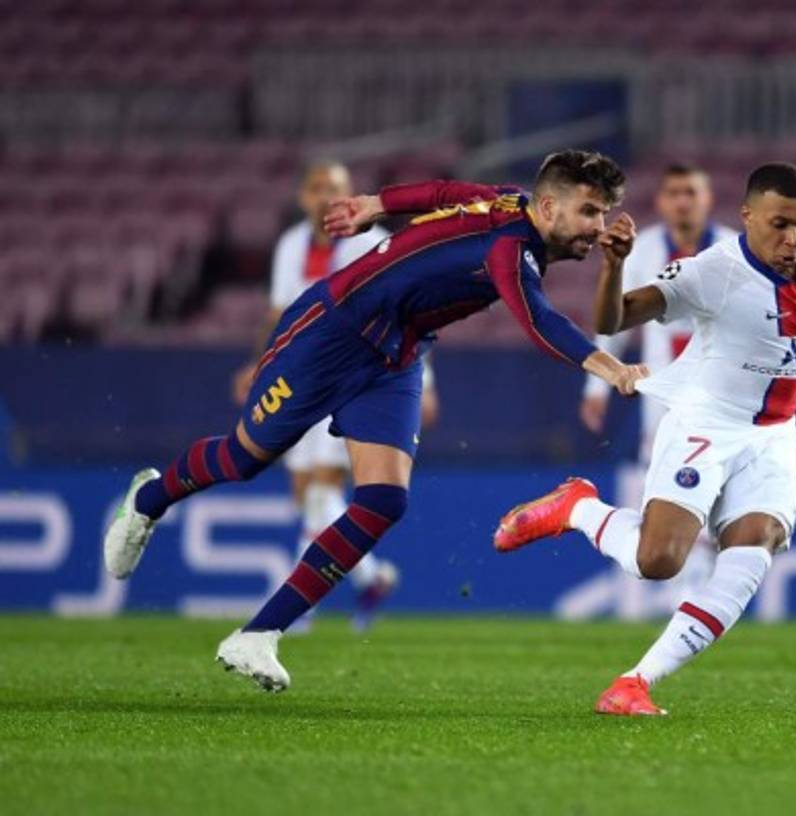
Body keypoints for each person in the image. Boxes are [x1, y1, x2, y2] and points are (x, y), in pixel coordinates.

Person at [104, 150, 647, 692]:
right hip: (330, 334)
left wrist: (375, 204)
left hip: (396, 357)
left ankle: (259, 633)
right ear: (549, 206)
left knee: (384, 500)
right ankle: (149, 500)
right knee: (244, 458)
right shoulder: (511, 248)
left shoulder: (510, 204)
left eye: (602, 214)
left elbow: (442, 194)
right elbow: (540, 321)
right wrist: (611, 368)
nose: (597, 227)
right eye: (589, 212)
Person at [495, 163, 796, 716]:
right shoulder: (714, 272)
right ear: (747, 216)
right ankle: (578, 507)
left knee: (756, 545)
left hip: (776, 435)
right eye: (780, 224)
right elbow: (613, 320)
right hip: (706, 422)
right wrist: (613, 267)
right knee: (657, 561)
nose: (794, 239)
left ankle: (635, 683)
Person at [231, 159, 426, 632]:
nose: (325, 195)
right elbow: (279, 312)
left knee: (322, 487)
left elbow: (407, 313)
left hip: (356, 378)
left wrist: (427, 385)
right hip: (302, 379)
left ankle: (299, 607)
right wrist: (259, 366)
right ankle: (373, 576)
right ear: (303, 197)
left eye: (334, 188)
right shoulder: (291, 245)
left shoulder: (365, 242)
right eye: (317, 187)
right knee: (305, 496)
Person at [577, 163, 736, 617]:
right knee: (671, 493)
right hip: (664, 402)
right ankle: (684, 598)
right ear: (662, 201)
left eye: (691, 191)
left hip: (720, 395)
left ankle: (692, 596)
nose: (683, 200)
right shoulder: (642, 250)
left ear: (706, 199)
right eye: (674, 192)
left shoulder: (729, 250)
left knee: (718, 496)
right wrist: (597, 384)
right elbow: (612, 321)